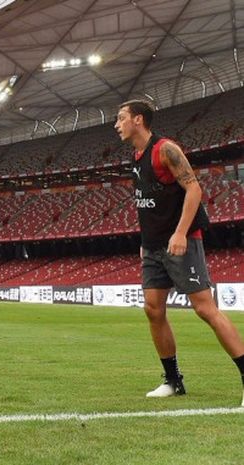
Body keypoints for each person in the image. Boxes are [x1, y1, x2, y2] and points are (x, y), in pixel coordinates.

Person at [115, 99, 244, 405]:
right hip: (154, 245)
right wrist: (146, 242)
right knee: (153, 308)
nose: (116, 125)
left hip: (180, 241)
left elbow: (194, 189)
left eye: (120, 119)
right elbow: (149, 203)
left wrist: (181, 232)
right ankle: (173, 381)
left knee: (204, 309)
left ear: (137, 119)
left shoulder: (165, 149)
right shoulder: (136, 156)